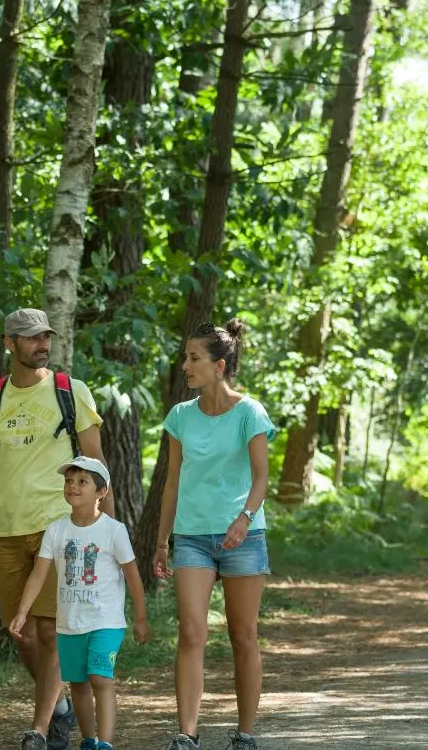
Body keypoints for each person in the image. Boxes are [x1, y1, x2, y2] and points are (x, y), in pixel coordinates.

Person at [0, 308, 109, 750]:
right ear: (9, 343)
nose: (41, 344)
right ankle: (59, 704)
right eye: (29, 338)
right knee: (20, 634)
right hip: (6, 530)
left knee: (48, 630)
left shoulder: (70, 391)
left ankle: (41, 730)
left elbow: (97, 462)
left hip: (57, 527)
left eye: (45, 337)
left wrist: (107, 527)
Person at [154, 320, 276, 750]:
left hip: (244, 538)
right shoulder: (180, 417)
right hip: (191, 538)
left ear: (219, 366)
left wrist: (244, 518)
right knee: (191, 633)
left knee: (243, 635)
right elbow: (171, 482)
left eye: (194, 358)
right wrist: (161, 540)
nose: (185, 366)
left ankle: (245, 734)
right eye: (186, 357)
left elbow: (261, 477)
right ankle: (187, 734)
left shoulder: (250, 412)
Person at [10, 456, 150, 750]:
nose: (72, 486)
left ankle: (106, 744)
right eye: (69, 481)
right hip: (70, 624)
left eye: (82, 482)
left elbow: (133, 577)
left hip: (106, 622)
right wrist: (23, 612)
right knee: (79, 684)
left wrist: (140, 616)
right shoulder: (56, 529)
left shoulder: (114, 530)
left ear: (101, 492)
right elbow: (38, 575)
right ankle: (89, 740)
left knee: (100, 677)